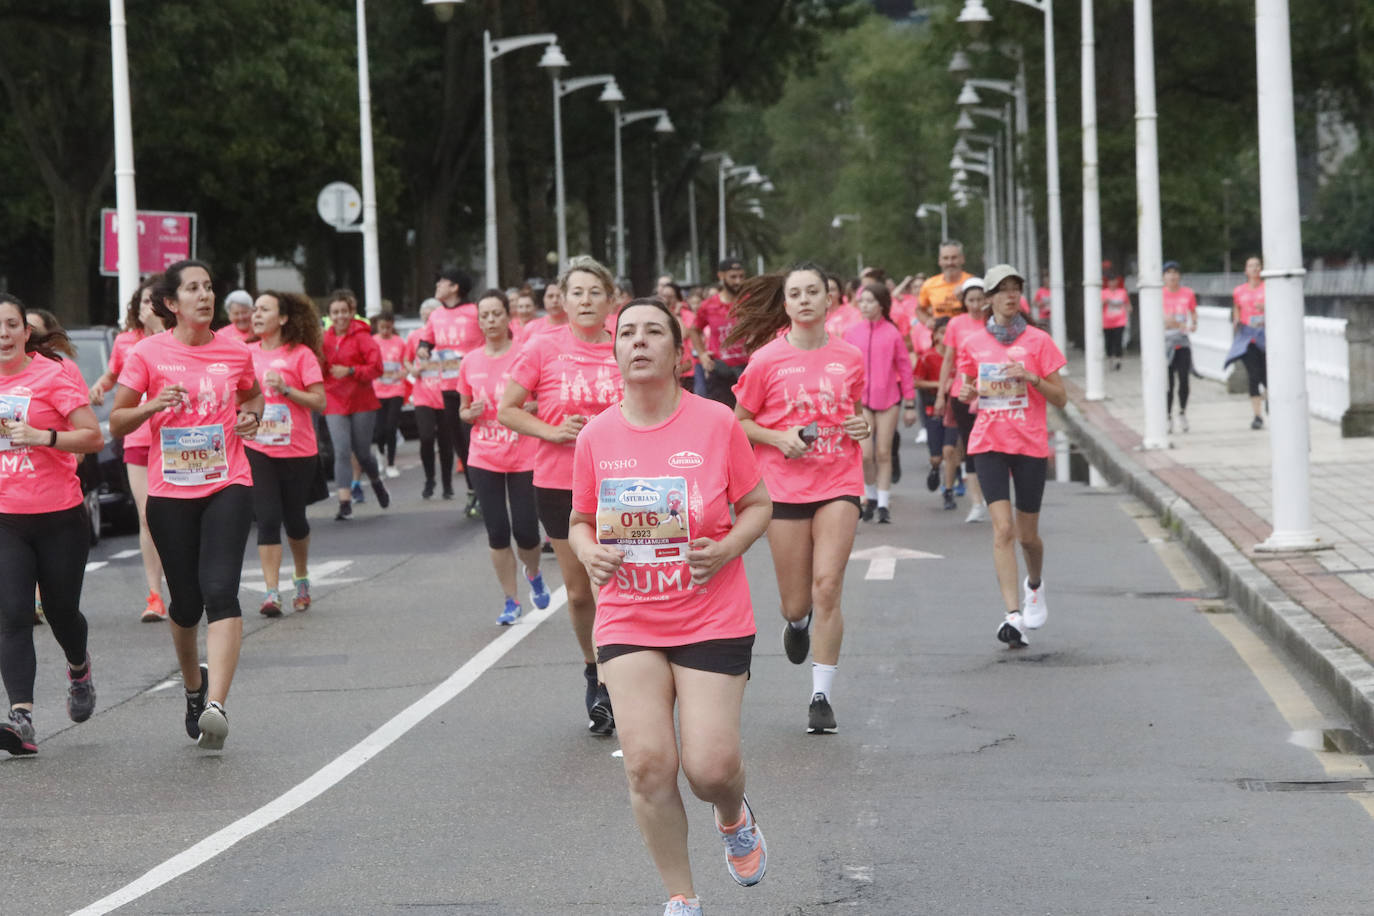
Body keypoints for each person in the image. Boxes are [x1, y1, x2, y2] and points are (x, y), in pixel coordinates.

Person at [570, 297, 773, 916]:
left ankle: (733, 815)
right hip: (630, 615)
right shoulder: (597, 435)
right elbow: (580, 521)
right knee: (649, 765)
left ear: (679, 353)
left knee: (710, 768)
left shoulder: (716, 423)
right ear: (615, 354)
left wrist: (726, 548)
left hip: (711, 613)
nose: (638, 341)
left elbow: (758, 505)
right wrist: (589, 554)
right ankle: (682, 897)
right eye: (626, 333)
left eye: (653, 332)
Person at [110, 259, 264, 749]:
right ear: (172, 304)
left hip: (228, 482)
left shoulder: (235, 350)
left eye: (209, 287)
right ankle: (194, 688)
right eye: (193, 289)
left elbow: (254, 397)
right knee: (186, 604)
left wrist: (250, 417)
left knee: (221, 590)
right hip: (171, 492)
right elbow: (115, 421)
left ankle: (217, 704)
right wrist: (153, 406)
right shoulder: (149, 353)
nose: (205, 295)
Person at [729, 263, 869, 733]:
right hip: (784, 488)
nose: (806, 299)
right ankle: (796, 625)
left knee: (827, 584)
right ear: (785, 304)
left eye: (815, 291)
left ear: (829, 300)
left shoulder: (850, 356)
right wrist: (775, 438)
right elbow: (739, 422)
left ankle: (821, 695)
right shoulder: (767, 360)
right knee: (796, 602)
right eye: (796, 293)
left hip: (839, 481)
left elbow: (857, 410)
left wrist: (862, 425)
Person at [499, 255, 624, 735]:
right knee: (578, 592)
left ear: (610, 298)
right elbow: (508, 410)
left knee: (613, 585)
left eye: (596, 292)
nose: (587, 300)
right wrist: (551, 431)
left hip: (622, 483)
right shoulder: (542, 347)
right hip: (559, 481)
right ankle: (594, 671)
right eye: (577, 293)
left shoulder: (625, 343)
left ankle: (619, 683)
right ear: (564, 300)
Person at [0, 294, 104, 755]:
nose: (2, 334)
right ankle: (21, 718)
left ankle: (78, 667)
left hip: (59, 515)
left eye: (10, 325)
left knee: (62, 611)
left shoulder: (53, 374)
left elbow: (93, 436)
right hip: (6, 518)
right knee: (13, 613)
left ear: (26, 333)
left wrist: (44, 436)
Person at [955, 265, 1066, 649]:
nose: (1009, 296)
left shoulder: (1038, 341)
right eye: (1001, 290)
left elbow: (1061, 397)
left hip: (1030, 444)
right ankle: (1013, 616)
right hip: (988, 443)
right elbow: (965, 387)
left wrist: (1032, 378)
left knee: (1028, 536)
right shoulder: (972, 342)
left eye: (1014, 289)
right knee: (1002, 529)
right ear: (988, 299)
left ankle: (1034, 585)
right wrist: (966, 394)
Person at [457, 290, 550, 624]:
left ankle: (534, 571)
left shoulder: (524, 355)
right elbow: (463, 410)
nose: (491, 321)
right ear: (479, 321)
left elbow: (543, 398)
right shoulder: (469, 361)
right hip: (484, 456)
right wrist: (471, 413)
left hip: (524, 454)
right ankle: (510, 600)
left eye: (496, 314)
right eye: (485, 315)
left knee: (525, 531)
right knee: (497, 531)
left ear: (507, 317)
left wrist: (530, 406)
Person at [89, 276, 170, 621]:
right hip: (139, 436)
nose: (146, 308)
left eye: (153, 301)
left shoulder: (178, 340)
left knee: (177, 515)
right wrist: (99, 385)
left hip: (177, 437)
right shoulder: (127, 342)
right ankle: (155, 595)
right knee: (147, 514)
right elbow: (114, 376)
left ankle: (186, 580)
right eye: (142, 302)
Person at [245, 292, 326, 617]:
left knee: (295, 521)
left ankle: (302, 576)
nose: (256, 314)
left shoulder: (301, 354)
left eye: (264, 309)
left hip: (297, 449)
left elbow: (319, 401)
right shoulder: (245, 353)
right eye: (255, 309)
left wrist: (287, 390)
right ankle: (272, 592)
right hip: (258, 448)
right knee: (267, 520)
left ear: (282, 318)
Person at [843, 283, 916, 523]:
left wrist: (910, 403)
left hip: (889, 400)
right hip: (860, 401)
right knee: (865, 454)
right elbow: (843, 368)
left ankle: (883, 503)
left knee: (884, 452)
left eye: (870, 301)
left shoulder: (893, 333)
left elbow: (905, 369)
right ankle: (870, 494)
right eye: (862, 300)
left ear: (882, 305)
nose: (864, 305)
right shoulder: (852, 332)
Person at [322, 289, 390, 520]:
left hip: (361, 400)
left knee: (362, 453)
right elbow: (316, 367)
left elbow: (377, 368)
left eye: (344, 311)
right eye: (335, 312)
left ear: (351, 313)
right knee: (341, 450)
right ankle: (344, 502)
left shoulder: (362, 337)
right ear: (329, 315)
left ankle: (376, 481)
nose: (340, 316)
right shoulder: (324, 339)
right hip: (334, 399)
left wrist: (351, 370)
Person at [423, 268, 483, 512]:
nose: (437, 284)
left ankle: (481, 491)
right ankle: (472, 489)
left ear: (455, 287)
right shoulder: (435, 316)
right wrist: (422, 350)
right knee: (459, 443)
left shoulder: (474, 312)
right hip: (447, 386)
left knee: (472, 441)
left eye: (442, 281)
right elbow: (425, 341)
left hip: (473, 388)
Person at [936, 278, 991, 521]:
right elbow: (948, 360)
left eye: (980, 299)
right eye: (971, 300)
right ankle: (976, 502)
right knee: (971, 445)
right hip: (963, 392)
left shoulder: (993, 322)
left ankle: (995, 494)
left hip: (992, 391)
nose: (976, 305)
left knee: (994, 445)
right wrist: (941, 394)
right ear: (963, 302)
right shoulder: (956, 324)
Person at [688, 258, 749, 407]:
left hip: (747, 369)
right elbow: (694, 330)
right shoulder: (708, 305)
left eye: (741, 276)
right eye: (733, 277)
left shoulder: (749, 302)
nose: (738, 281)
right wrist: (702, 355)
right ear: (721, 276)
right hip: (720, 371)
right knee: (722, 417)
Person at [406, 299, 450, 499]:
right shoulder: (415, 336)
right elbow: (406, 359)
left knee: (446, 441)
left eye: (431, 313)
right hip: (423, 394)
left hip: (445, 394)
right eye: (424, 313)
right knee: (426, 437)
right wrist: (413, 369)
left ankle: (447, 484)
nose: (427, 316)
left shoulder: (445, 337)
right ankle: (429, 479)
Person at [914, 318, 953, 494]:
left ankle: (950, 487)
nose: (945, 336)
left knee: (951, 450)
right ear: (935, 335)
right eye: (941, 332)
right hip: (933, 409)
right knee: (937, 457)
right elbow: (917, 382)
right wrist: (939, 385)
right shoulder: (927, 357)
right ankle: (936, 469)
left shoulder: (959, 357)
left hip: (955, 408)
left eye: (948, 332)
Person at [1228, 255, 1267, 430]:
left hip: (1265, 335)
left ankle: (1268, 398)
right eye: (1251, 266)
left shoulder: (1268, 288)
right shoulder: (1239, 291)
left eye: (1257, 265)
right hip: (1247, 336)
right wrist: (1236, 321)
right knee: (1253, 374)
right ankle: (1257, 415)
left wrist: (1265, 308)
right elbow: (1236, 308)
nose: (1254, 269)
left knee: (1267, 375)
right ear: (1246, 270)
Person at [1162, 261, 1198, 433]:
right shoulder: (1158, 294)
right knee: (1168, 382)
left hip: (1182, 342)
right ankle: (1167, 416)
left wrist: (1193, 324)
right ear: (1163, 276)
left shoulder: (1188, 293)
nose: (1172, 276)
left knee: (1184, 379)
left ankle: (1182, 412)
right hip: (1165, 342)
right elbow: (1160, 319)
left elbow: (1193, 313)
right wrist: (1169, 322)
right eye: (1169, 272)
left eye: (1175, 272)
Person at [371, 312, 406, 478]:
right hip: (377, 390)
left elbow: (406, 363)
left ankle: (391, 463)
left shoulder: (399, 342)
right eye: (382, 327)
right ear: (377, 327)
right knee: (379, 430)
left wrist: (403, 372)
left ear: (392, 326)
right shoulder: (373, 341)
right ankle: (380, 456)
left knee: (391, 427)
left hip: (396, 390)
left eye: (388, 327)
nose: (385, 330)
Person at [916, 241, 974, 325]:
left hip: (966, 331)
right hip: (941, 333)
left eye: (954, 258)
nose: (949, 263)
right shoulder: (929, 284)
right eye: (945, 258)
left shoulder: (971, 282)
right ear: (940, 261)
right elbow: (919, 309)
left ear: (962, 259)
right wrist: (927, 321)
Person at [1101, 271, 1131, 371]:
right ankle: (1110, 360)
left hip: (1120, 321)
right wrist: (1104, 302)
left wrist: (1128, 310)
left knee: (1118, 340)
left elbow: (1128, 305)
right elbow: (1098, 305)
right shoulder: (1103, 292)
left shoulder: (1122, 292)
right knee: (1108, 342)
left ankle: (1118, 360)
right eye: (1110, 281)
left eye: (1114, 281)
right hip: (1107, 322)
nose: (1112, 283)